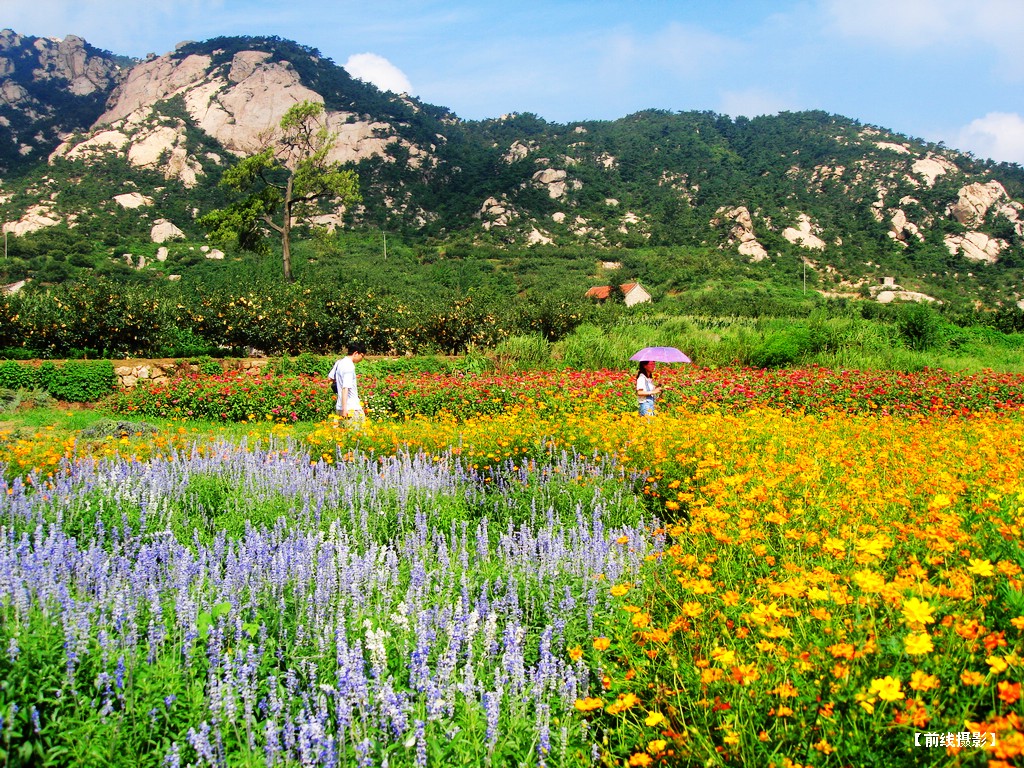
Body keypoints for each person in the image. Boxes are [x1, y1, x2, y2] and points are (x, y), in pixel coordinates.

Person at [328, 342, 367, 422]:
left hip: (339, 407)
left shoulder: (339, 362)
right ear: (356, 353)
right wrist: (345, 409)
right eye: (362, 356)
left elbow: (330, 378)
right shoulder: (349, 366)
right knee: (359, 432)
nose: (361, 359)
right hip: (351, 409)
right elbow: (345, 388)